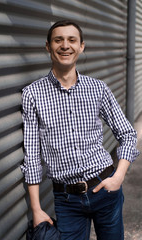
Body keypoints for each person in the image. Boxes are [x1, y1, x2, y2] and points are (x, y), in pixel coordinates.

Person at [21, 20, 139, 240]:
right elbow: (32, 156)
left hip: (106, 190)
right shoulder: (32, 94)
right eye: (58, 40)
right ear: (48, 46)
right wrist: (36, 209)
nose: (65, 45)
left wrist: (119, 177)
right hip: (66, 200)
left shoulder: (98, 88)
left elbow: (127, 134)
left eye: (72, 40)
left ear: (81, 46)